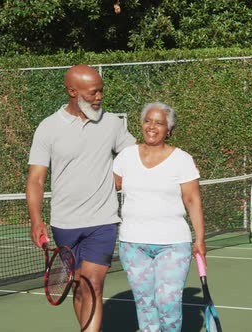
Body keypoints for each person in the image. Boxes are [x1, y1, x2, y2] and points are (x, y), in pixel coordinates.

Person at [26, 64, 136, 332]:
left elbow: (135, 158)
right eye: (93, 92)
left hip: (103, 221)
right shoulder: (48, 127)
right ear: (72, 91)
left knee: (93, 284)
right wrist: (35, 219)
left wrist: (117, 181)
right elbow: (36, 179)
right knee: (78, 288)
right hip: (65, 223)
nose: (99, 97)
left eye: (101, 91)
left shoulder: (112, 123)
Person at [112, 101, 207, 332]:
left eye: (159, 123)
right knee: (145, 306)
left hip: (173, 244)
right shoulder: (125, 156)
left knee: (168, 302)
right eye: (147, 121)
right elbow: (108, 190)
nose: (152, 127)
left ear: (169, 130)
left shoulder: (182, 159)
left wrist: (200, 239)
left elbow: (192, 200)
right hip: (133, 244)